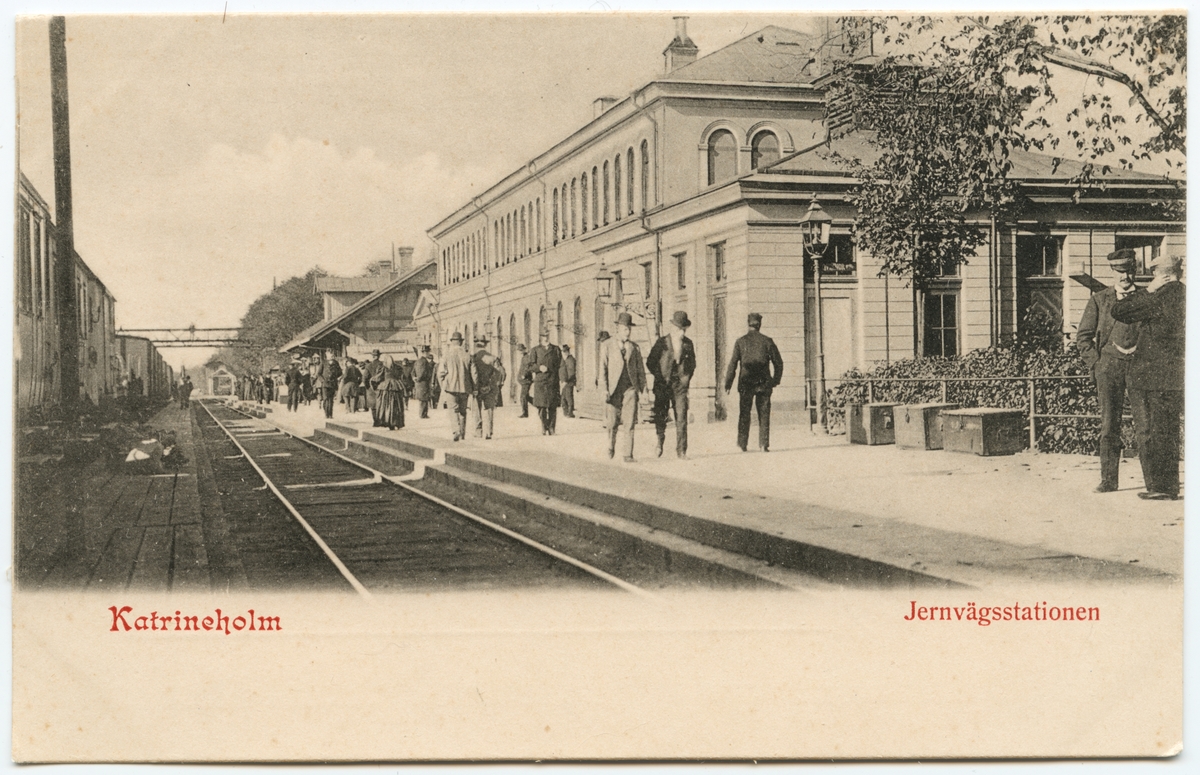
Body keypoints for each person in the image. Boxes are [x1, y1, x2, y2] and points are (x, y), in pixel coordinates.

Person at [1112, 255, 1186, 501]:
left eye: (1154, 275)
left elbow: (1120, 310)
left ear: (1161, 275)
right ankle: (1163, 486)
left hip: (1157, 376)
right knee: (1164, 430)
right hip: (1169, 375)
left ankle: (1163, 488)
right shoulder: (1181, 293)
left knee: (1160, 431)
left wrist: (1149, 290)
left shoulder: (1164, 296)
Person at [1076, 249, 1142, 493]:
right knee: (1109, 425)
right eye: (1120, 272)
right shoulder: (1100, 300)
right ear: (1113, 272)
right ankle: (1108, 480)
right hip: (1109, 368)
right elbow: (1083, 337)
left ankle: (1154, 483)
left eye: (1129, 271)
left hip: (1139, 368)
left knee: (1145, 425)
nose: (1125, 277)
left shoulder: (1145, 298)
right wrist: (1096, 363)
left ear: (1135, 271)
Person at [724, 312, 784, 453]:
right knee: (764, 413)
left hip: (746, 383)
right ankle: (763, 445)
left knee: (744, 413)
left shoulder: (740, 341)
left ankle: (742, 444)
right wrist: (775, 380)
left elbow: (732, 364)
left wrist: (728, 384)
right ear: (759, 325)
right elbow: (779, 363)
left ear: (748, 324)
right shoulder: (767, 341)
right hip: (763, 383)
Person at [648, 311, 697, 459]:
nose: (682, 332)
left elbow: (693, 364)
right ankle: (659, 442)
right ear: (674, 328)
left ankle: (681, 451)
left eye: (684, 329)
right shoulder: (662, 343)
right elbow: (650, 362)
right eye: (680, 329)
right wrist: (659, 376)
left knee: (681, 417)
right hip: (663, 385)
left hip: (679, 386)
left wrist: (686, 379)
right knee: (661, 416)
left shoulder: (688, 344)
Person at [599, 313, 646, 462]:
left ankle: (628, 454)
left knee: (630, 422)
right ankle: (611, 446)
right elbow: (603, 370)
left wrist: (644, 390)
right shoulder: (607, 345)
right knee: (612, 423)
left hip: (630, 390)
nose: (628, 332)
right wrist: (604, 389)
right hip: (613, 391)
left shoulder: (634, 348)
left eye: (629, 329)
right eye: (625, 329)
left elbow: (641, 371)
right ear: (618, 328)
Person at [438, 332, 474, 441]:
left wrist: (443, 386)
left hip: (450, 388)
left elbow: (440, 373)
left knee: (453, 410)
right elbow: (474, 374)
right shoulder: (468, 355)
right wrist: (473, 387)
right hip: (465, 387)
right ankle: (462, 433)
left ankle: (456, 430)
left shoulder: (446, 355)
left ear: (452, 342)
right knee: (463, 411)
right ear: (461, 342)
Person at [527, 329, 562, 435]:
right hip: (540, 382)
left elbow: (560, 364)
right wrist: (539, 368)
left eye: (547, 335)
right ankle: (544, 425)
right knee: (541, 407)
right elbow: (530, 366)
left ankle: (552, 428)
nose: (545, 337)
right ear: (540, 337)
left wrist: (560, 378)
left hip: (552, 381)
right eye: (543, 335)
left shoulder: (555, 349)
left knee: (552, 406)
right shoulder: (535, 350)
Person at [470, 337, 506, 439]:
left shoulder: (473, 358)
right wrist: (498, 385)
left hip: (476, 387)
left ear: (476, 346)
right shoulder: (493, 358)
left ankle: (478, 431)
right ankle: (488, 432)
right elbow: (501, 373)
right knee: (489, 409)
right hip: (490, 387)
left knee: (476, 409)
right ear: (485, 345)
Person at [374, 356, 406, 431]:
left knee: (386, 406)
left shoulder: (383, 368)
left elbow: (378, 378)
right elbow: (401, 377)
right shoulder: (398, 368)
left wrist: (374, 384)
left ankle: (388, 422)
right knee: (397, 405)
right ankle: (397, 422)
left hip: (385, 388)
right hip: (396, 387)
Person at [317, 350, 342, 420]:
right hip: (325, 384)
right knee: (325, 399)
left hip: (333, 384)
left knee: (331, 400)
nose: (331, 355)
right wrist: (322, 381)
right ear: (326, 355)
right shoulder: (323, 363)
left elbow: (340, 372)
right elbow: (318, 374)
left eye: (332, 354)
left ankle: (330, 414)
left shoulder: (336, 363)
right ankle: (326, 414)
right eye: (329, 354)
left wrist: (336, 378)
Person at [412, 346, 434, 418]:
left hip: (418, 383)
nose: (429, 353)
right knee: (424, 399)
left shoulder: (417, 361)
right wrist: (419, 378)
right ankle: (422, 414)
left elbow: (413, 371)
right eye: (428, 352)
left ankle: (423, 414)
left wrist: (414, 378)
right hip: (423, 383)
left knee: (422, 399)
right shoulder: (425, 362)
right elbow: (423, 372)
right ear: (425, 352)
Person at [362, 349, 386, 414]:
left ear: (372, 356)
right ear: (379, 356)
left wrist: (368, 387)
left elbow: (364, 378)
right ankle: (381, 420)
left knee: (373, 406)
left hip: (371, 388)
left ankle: (375, 421)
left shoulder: (369, 366)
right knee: (381, 404)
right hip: (382, 387)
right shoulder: (383, 365)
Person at [559, 344, 577, 418]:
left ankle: (570, 413)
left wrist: (566, 381)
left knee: (568, 397)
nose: (564, 353)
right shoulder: (564, 359)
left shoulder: (570, 360)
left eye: (565, 351)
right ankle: (565, 412)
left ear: (568, 351)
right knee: (563, 397)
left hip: (568, 382)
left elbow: (571, 372)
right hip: (564, 382)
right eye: (563, 351)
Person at [515, 343, 533, 418]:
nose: (519, 352)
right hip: (524, 381)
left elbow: (528, 367)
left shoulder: (527, 357)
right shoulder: (524, 357)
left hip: (526, 380)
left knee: (523, 396)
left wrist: (524, 375)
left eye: (520, 350)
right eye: (519, 350)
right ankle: (539, 404)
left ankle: (525, 413)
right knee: (526, 397)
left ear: (523, 350)